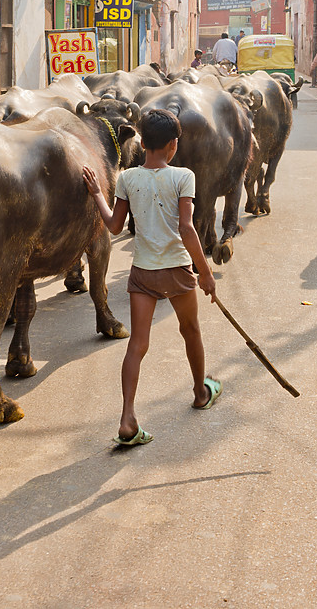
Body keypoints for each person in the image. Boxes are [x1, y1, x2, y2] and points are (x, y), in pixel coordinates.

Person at [82, 108, 220, 447]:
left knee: (137, 345)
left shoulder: (128, 178)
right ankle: (201, 391)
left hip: (143, 272)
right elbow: (187, 228)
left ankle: (127, 418)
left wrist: (98, 193)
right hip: (176, 268)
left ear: (142, 143)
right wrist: (206, 273)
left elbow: (114, 226)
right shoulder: (183, 176)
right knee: (191, 331)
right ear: (173, 145)